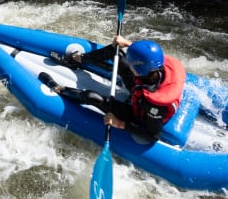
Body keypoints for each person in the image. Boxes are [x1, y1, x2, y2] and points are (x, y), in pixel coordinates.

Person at [39, 35, 186, 141]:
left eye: (131, 62)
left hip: (139, 113)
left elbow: (153, 135)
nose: (128, 62)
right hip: (141, 87)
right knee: (116, 51)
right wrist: (126, 43)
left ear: (139, 69)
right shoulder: (155, 67)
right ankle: (77, 60)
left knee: (92, 97)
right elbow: (148, 56)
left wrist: (120, 124)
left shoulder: (153, 104)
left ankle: (58, 88)